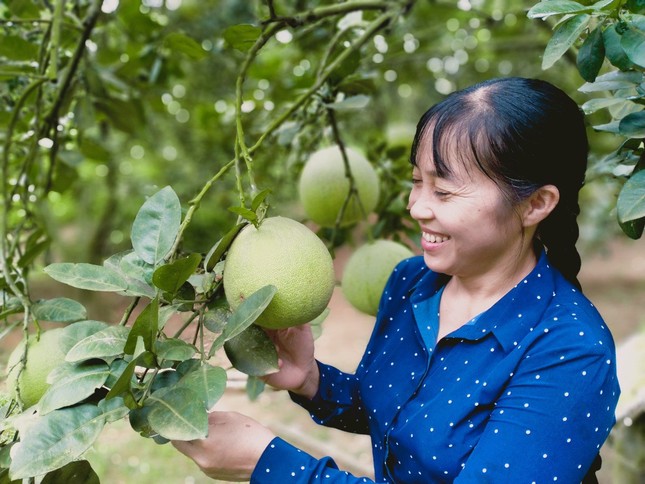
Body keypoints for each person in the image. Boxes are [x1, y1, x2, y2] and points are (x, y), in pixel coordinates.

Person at [172, 77, 621, 483]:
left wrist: (267, 465)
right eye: (416, 182)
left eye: (443, 191)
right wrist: (310, 380)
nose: (417, 207)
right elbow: (394, 415)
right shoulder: (414, 283)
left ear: (536, 204)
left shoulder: (570, 349)